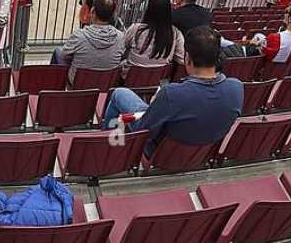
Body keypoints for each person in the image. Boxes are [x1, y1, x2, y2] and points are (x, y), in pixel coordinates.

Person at [100, 26, 244, 150]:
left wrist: (156, 105)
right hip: (198, 154)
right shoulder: (237, 88)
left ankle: (109, 147)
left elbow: (144, 132)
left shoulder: (172, 94)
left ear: (187, 58)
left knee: (119, 93)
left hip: (159, 153)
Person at [52, 0, 126, 83]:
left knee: (58, 51)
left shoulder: (79, 36)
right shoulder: (120, 37)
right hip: (105, 84)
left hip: (77, 84)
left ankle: (53, 87)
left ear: (92, 11)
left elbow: (64, 56)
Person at [123, 0, 184, 73]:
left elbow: (122, 46)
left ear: (149, 9)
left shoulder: (136, 29)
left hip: (129, 80)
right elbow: (181, 59)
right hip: (157, 80)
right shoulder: (175, 33)